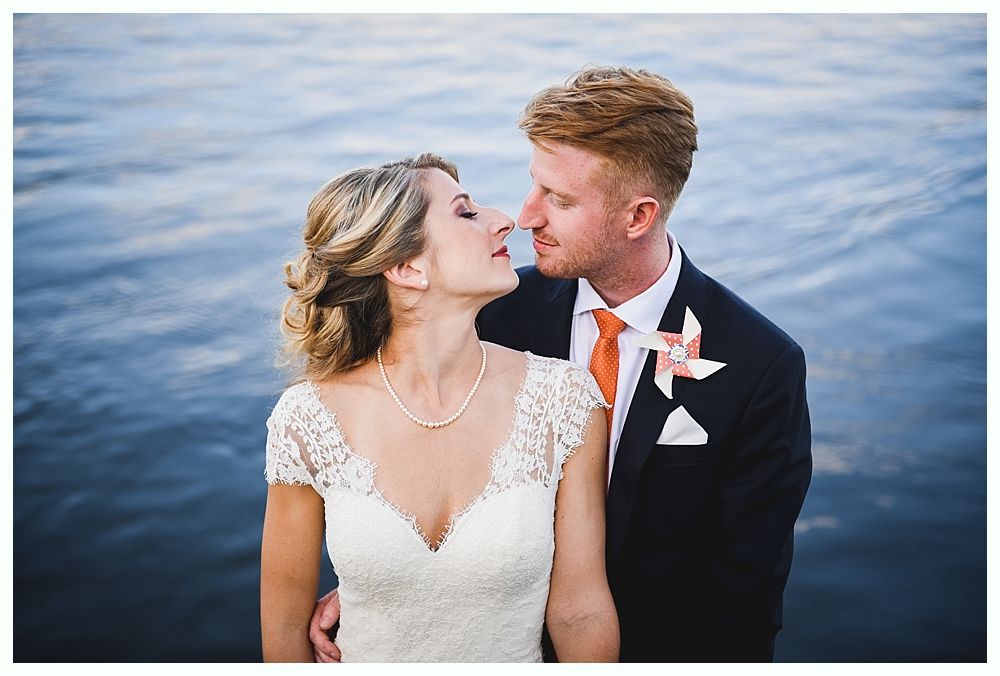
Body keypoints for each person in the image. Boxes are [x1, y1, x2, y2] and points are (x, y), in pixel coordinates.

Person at [308, 67, 812, 662]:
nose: (526, 217)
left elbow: (744, 600)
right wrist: (394, 585)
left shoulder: (760, 365)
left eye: (561, 200)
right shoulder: (490, 312)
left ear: (637, 217)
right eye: (534, 185)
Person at [260, 153, 619, 662]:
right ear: (407, 268)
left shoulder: (564, 400)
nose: (505, 220)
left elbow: (580, 610)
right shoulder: (307, 419)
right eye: (466, 213)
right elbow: (283, 631)